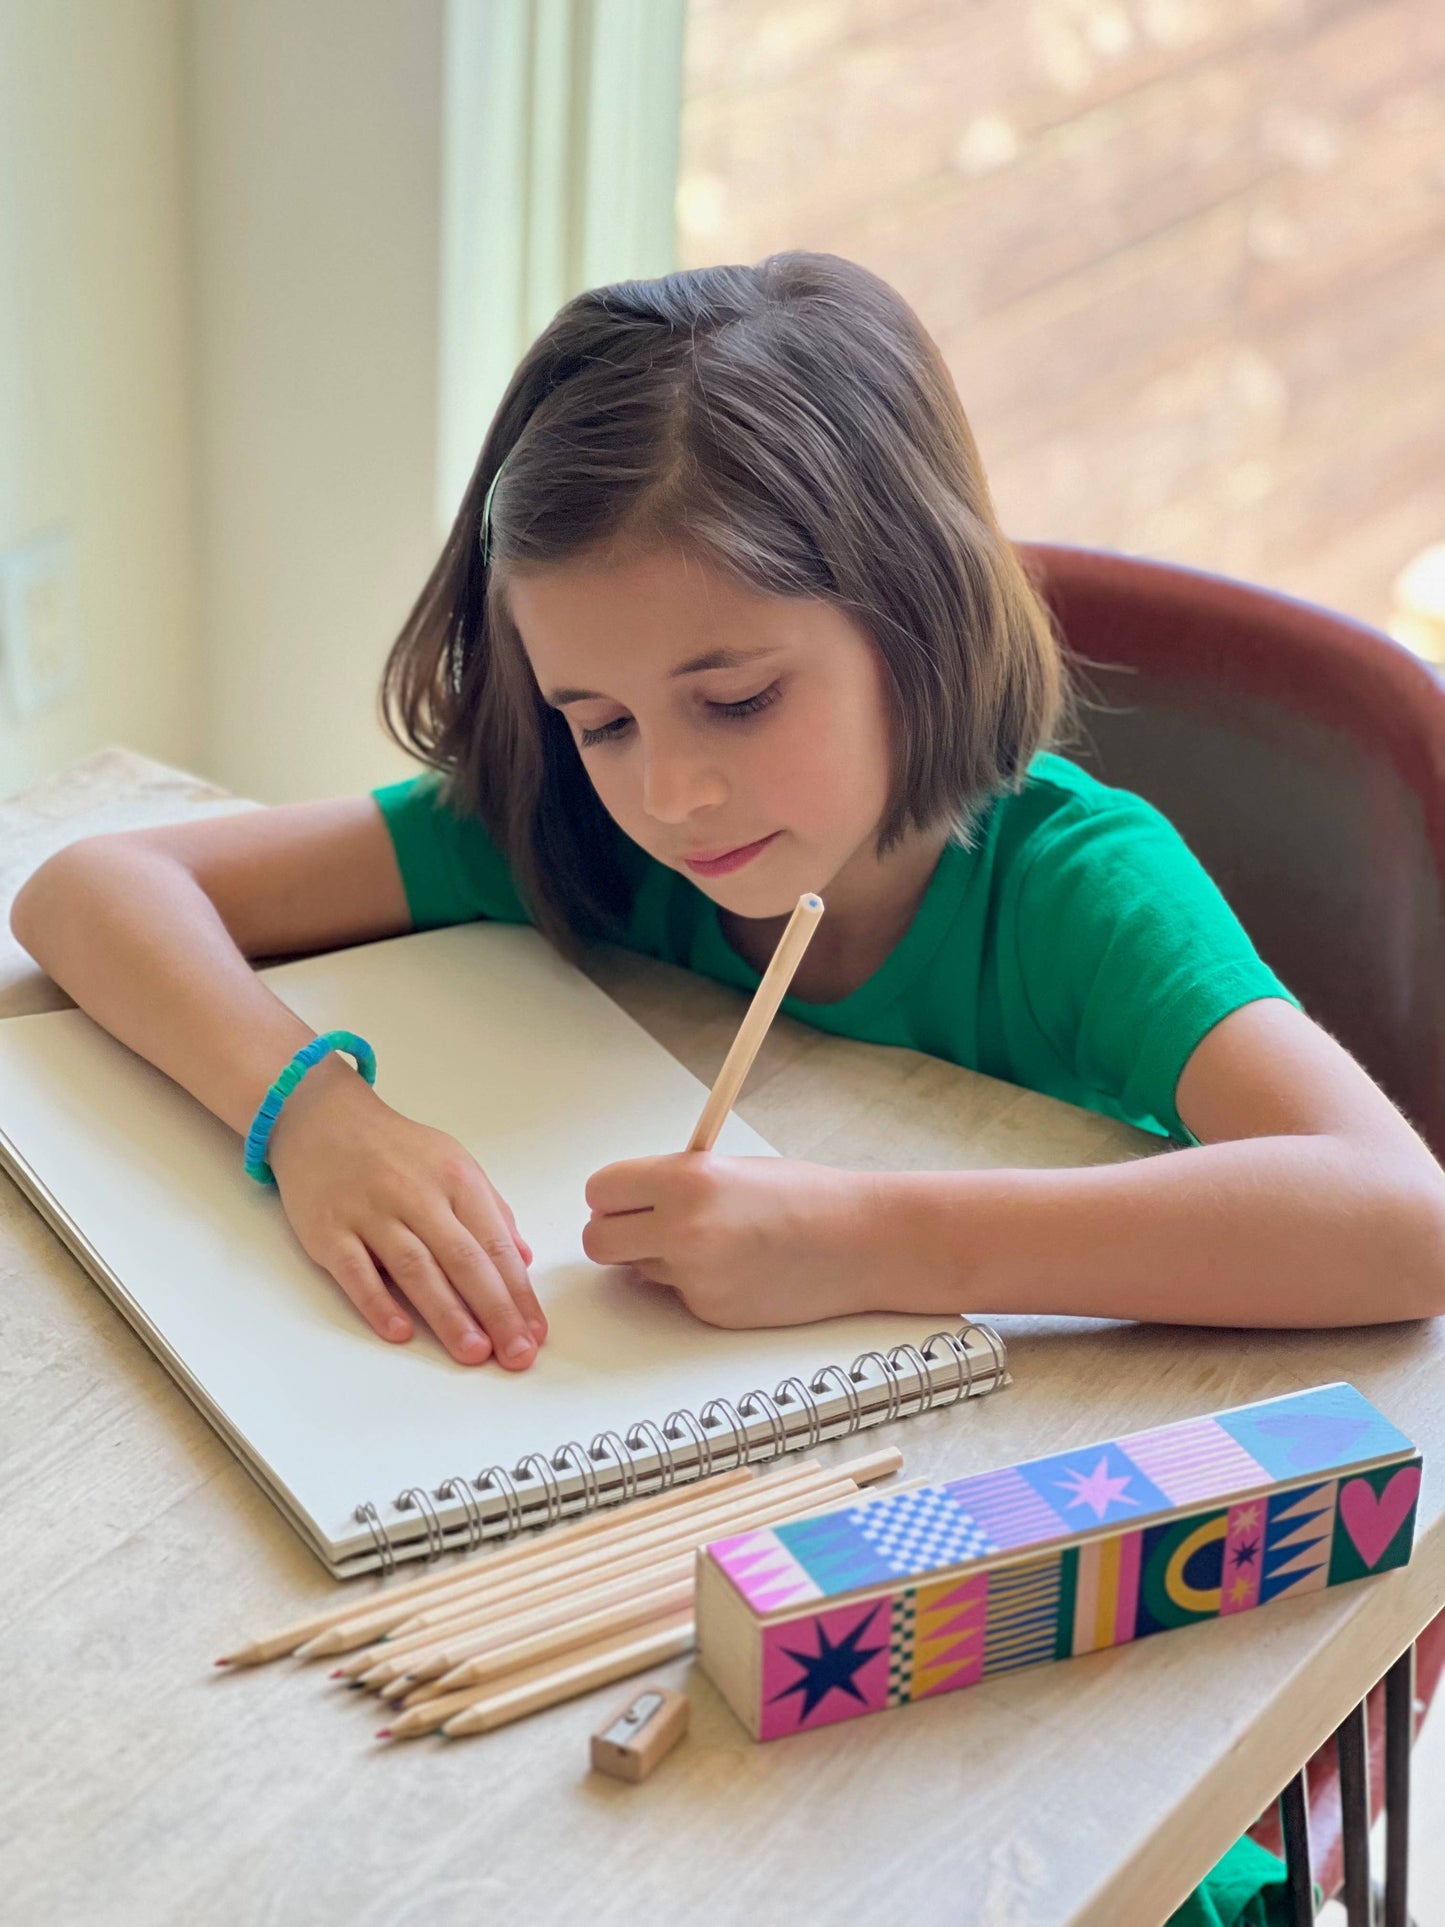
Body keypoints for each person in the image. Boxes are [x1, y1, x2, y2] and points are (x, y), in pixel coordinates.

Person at [10, 252, 1440, 1922]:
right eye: (595, 715)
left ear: (914, 611)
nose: (672, 790)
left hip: (1018, 1657)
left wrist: (864, 1240)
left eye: (737, 697)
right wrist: (311, 1109)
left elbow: (1397, 1223)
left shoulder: (1073, 888)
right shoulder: (566, 833)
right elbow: (85, 891)